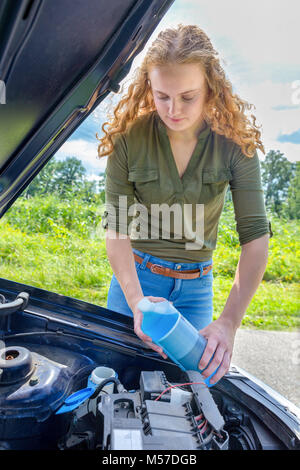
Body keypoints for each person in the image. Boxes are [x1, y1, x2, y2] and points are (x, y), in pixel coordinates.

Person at [96, 24, 273, 385]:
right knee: (112, 387)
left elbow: (255, 238)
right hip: (136, 280)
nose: (173, 109)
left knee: (191, 395)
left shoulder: (236, 144)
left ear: (211, 87)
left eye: (188, 97)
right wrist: (137, 303)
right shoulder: (127, 137)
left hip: (196, 292)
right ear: (149, 86)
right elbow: (116, 229)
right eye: (162, 96)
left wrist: (228, 323)